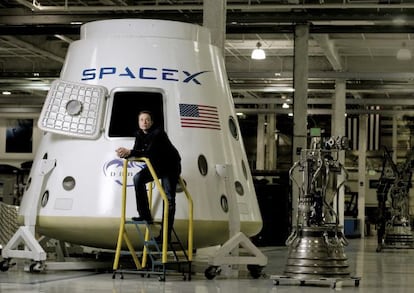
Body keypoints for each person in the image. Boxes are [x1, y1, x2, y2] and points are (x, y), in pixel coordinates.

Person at [116, 110, 181, 242]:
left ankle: (165, 236)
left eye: (147, 120)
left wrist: (131, 151)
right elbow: (138, 152)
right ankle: (145, 215)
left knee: (168, 199)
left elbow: (149, 152)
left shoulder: (158, 133)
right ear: (139, 123)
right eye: (141, 120)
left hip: (170, 166)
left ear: (151, 122)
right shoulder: (138, 134)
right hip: (156, 166)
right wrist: (125, 153)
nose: (144, 122)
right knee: (137, 178)